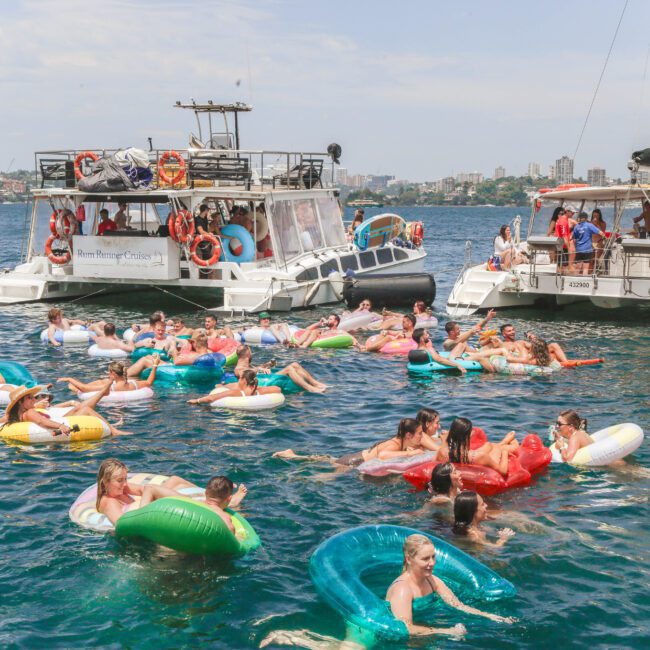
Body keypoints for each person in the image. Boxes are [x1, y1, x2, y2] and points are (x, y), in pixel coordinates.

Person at [385, 534, 514, 638]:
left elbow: (457, 605)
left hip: (425, 630)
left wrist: (489, 616)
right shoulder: (402, 589)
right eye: (425, 559)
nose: (432, 563)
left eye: (433, 557)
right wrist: (446, 631)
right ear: (408, 559)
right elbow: (405, 628)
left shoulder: (432, 580)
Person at [273, 418, 438, 467]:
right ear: (408, 435)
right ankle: (295, 467)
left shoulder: (402, 440)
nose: (421, 436)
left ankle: (293, 455)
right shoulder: (395, 444)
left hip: (354, 457)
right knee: (322, 478)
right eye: (419, 434)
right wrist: (411, 453)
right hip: (353, 462)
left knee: (326, 460)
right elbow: (383, 455)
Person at [0, 384, 130, 437]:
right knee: (84, 409)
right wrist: (61, 425)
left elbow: (3, 420)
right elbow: (41, 422)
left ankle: (103, 394)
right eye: (29, 397)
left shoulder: (17, 415)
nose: (33, 399)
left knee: (79, 408)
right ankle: (113, 430)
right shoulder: (29, 412)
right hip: (57, 422)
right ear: (21, 403)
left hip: (56, 419)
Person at [96, 458, 197, 525]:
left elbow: (141, 490)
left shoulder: (121, 489)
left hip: (148, 507)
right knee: (151, 489)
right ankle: (192, 502)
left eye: (125, 479)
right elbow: (121, 524)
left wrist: (158, 493)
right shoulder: (109, 502)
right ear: (105, 482)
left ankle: (203, 496)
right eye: (119, 480)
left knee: (175, 479)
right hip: (144, 517)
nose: (125, 484)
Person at [437, 417, 518, 476]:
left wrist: (444, 438)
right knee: (501, 447)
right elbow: (503, 471)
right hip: (476, 460)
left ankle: (503, 442)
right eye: (471, 430)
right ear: (467, 436)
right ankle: (504, 444)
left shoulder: (443, 452)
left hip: (467, 457)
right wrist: (505, 453)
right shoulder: (480, 456)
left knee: (488, 445)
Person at [233, 345, 327, 393]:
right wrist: (260, 370)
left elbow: (255, 368)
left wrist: (269, 364)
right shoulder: (238, 369)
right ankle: (310, 388)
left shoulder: (248, 365)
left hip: (266, 379)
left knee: (295, 364)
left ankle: (316, 383)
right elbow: (243, 374)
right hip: (263, 384)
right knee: (289, 369)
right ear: (248, 354)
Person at [58, 358, 159, 396]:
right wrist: (154, 365)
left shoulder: (111, 388)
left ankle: (73, 389)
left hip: (114, 410)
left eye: (109, 372)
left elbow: (84, 389)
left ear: (114, 374)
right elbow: (149, 382)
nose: (108, 374)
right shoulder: (134, 384)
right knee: (101, 381)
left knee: (99, 383)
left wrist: (69, 379)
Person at [188, 369, 282, 405]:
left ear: (244, 380)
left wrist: (197, 401)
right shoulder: (259, 391)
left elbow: (212, 398)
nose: (238, 380)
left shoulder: (236, 393)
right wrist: (258, 389)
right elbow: (278, 389)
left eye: (240, 378)